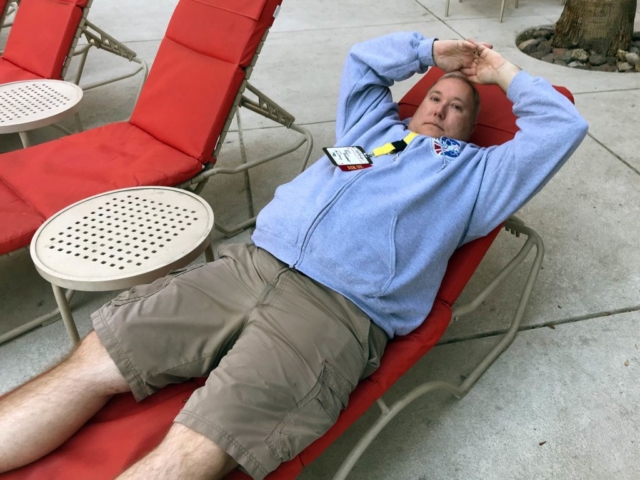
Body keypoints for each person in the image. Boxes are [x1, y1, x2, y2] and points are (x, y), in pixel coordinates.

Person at [0, 32, 587, 479]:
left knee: (200, 438)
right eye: (435, 94)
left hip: (333, 315)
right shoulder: (373, 128)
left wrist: (500, 71)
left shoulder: (481, 174)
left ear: (472, 128)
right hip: (246, 265)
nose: (440, 107)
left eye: (459, 107)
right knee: (93, 362)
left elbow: (561, 125)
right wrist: (431, 50)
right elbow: (364, 61)